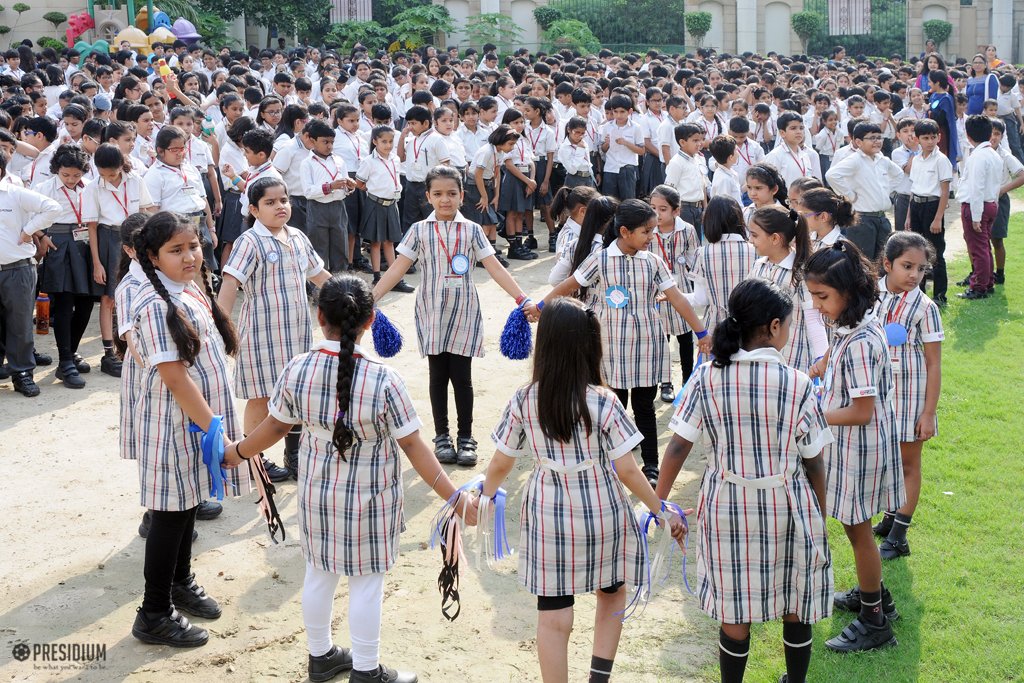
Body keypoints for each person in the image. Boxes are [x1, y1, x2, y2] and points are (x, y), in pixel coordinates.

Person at [223, 274, 474, 683]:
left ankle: (320, 656)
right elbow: (413, 447)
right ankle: (365, 669)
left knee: (319, 573)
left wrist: (237, 452)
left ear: (318, 316)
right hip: (370, 494)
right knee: (367, 581)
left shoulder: (298, 368)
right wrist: (454, 498)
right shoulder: (384, 380)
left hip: (317, 490)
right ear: (371, 321)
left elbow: (273, 428)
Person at [485, 296, 686, 683]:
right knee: (612, 593)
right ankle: (598, 679)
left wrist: (486, 494)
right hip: (601, 511)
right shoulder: (604, 402)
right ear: (589, 346)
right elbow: (628, 469)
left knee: (554, 614)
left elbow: (501, 462)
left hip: (548, 513)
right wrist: (660, 510)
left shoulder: (525, 400)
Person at [655, 278, 834, 683]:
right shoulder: (798, 384)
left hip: (727, 505)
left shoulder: (708, 378)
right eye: (789, 325)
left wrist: (657, 502)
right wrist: (819, 513)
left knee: (734, 608)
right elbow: (814, 462)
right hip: (787, 504)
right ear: (774, 327)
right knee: (796, 601)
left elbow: (679, 447)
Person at [129, 212, 249, 648]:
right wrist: (214, 426)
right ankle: (154, 612)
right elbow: (175, 378)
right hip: (176, 422)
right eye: (176, 250)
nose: (189, 256)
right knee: (169, 515)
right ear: (152, 257)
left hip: (195, 421)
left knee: (188, 505)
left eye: (193, 246)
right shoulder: (157, 305)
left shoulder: (190, 288)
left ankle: (180, 581)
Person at [373, 165, 537, 467]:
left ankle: (466, 437)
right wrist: (372, 297)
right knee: (438, 376)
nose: (445, 200)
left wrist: (521, 297)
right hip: (432, 311)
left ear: (462, 195)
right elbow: (397, 267)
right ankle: (442, 436)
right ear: (428, 196)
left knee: (462, 377)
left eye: (451, 193)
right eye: (438, 194)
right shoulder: (420, 230)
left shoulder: (472, 230)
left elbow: (494, 266)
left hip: (464, 311)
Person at [543, 199, 710, 485]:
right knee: (613, 403)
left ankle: (651, 466)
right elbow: (570, 284)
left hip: (647, 343)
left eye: (653, 231)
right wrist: (540, 306)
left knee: (645, 406)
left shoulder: (653, 262)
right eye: (646, 232)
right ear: (624, 232)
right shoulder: (600, 259)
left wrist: (702, 332)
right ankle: (610, 463)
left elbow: (677, 298)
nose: (651, 237)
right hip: (610, 345)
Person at [804, 241, 903, 653]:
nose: (816, 305)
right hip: (854, 447)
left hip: (860, 448)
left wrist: (812, 415)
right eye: (811, 296)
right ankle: (877, 595)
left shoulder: (861, 341)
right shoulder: (853, 329)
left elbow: (861, 411)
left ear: (849, 291)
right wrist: (826, 362)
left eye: (822, 297)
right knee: (853, 528)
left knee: (858, 532)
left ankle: (874, 622)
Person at [217, 177, 332, 482]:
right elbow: (230, 284)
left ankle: (294, 456)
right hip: (261, 336)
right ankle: (254, 458)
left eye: (284, 200)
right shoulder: (249, 242)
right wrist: (219, 328)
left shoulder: (296, 237)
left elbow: (318, 273)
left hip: (296, 333)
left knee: (296, 393)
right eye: (270, 202)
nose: (280, 206)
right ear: (254, 209)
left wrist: (349, 294)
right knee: (261, 397)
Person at [871, 232, 943, 560]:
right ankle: (889, 518)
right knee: (886, 460)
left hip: (911, 398)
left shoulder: (925, 308)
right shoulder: (870, 296)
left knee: (908, 464)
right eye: (906, 266)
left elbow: (933, 362)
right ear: (887, 264)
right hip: (876, 395)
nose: (914, 275)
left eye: (921, 269)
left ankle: (900, 534)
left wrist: (928, 413)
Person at [84, 143, 155, 379]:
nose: (108, 178)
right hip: (109, 238)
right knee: (109, 297)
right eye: (102, 174)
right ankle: (109, 352)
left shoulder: (135, 180)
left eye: (112, 173)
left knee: (142, 290)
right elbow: (91, 227)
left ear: (120, 166)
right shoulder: (93, 187)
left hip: (137, 235)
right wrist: (97, 262)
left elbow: (147, 208)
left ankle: (137, 345)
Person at [0, 150, 61, 397]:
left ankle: (22, 373)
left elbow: (52, 207)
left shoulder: (15, 193)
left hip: (17, 269)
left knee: (20, 324)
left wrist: (29, 230)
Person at [35, 144, 95, 388]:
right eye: (66, 175)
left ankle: (71, 352)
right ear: (56, 170)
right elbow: (25, 216)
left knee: (86, 302)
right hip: (58, 243)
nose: (71, 180)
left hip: (85, 243)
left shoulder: (90, 187)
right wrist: (41, 235)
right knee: (64, 303)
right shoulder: (43, 188)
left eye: (77, 175)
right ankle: (65, 361)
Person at [747, 205, 827, 373]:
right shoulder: (759, 266)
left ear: (775, 239)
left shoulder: (801, 274)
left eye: (754, 235)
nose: (750, 240)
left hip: (792, 360)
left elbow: (814, 319)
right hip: (759, 356)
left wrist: (821, 359)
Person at [648, 185, 700, 403]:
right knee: (661, 339)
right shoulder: (648, 230)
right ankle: (665, 383)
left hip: (681, 291)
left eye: (662, 209)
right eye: (653, 208)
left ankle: (687, 383)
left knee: (685, 339)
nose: (657, 214)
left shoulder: (687, 230)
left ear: (676, 211)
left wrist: (684, 282)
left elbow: (694, 260)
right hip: (656, 292)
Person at [825, 122, 904, 261]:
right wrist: (849, 195)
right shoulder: (855, 160)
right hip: (863, 220)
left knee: (882, 260)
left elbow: (899, 175)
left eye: (879, 137)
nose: (877, 141)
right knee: (863, 261)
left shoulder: (882, 159)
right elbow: (832, 175)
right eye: (872, 138)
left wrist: (886, 191)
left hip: (882, 218)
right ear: (858, 142)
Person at [685, 196, 757, 338]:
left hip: (716, 328)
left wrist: (676, 296)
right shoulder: (755, 250)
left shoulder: (703, 253)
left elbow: (700, 299)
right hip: (751, 325)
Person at [355, 126, 414, 292]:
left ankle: (395, 278)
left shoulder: (395, 159)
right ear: (375, 142)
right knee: (376, 242)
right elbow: (359, 183)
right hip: (376, 204)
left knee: (390, 242)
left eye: (390, 141)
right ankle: (377, 277)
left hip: (392, 204)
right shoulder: (369, 162)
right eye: (383, 141)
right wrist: (374, 191)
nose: (388, 145)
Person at [905, 119, 952, 305]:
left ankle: (940, 295)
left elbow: (945, 191)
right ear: (917, 139)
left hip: (933, 206)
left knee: (936, 252)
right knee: (917, 251)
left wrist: (938, 218)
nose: (930, 141)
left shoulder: (941, 160)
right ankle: (919, 292)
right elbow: (913, 189)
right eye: (925, 138)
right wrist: (909, 215)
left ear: (939, 137)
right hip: (916, 205)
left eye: (933, 137)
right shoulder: (916, 159)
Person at [956, 115, 1002, 300]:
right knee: (984, 247)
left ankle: (979, 286)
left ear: (968, 135)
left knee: (978, 248)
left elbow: (976, 189)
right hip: (990, 204)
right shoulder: (993, 154)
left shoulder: (978, 156)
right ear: (990, 133)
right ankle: (987, 282)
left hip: (978, 206)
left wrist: (975, 216)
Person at [300, 119, 352, 274]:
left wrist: (348, 187)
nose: (329, 146)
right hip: (318, 208)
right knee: (319, 248)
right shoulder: (307, 163)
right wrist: (330, 186)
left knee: (340, 246)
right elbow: (308, 191)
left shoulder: (339, 160)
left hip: (338, 207)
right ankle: (320, 289)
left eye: (332, 142)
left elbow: (344, 187)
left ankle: (341, 285)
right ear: (312, 140)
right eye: (325, 142)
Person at [499, 108, 538, 260]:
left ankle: (520, 244)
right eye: (515, 122)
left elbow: (531, 161)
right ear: (507, 123)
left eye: (521, 122)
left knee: (521, 213)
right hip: (515, 178)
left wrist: (532, 180)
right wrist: (527, 180)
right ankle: (513, 247)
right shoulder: (507, 140)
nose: (520, 125)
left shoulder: (524, 139)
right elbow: (509, 164)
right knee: (512, 212)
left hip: (527, 177)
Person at [664, 122, 708, 238]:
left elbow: (702, 184)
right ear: (682, 142)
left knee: (697, 241)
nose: (699, 144)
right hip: (683, 209)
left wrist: (705, 207)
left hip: (697, 208)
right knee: (685, 241)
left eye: (700, 140)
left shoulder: (698, 158)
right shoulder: (676, 162)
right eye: (695, 140)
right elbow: (669, 190)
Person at [708, 134, 742, 205]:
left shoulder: (729, 173)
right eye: (736, 150)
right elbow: (724, 206)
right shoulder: (724, 179)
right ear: (731, 157)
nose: (738, 154)